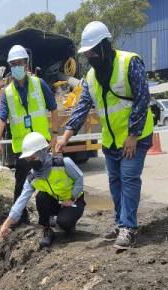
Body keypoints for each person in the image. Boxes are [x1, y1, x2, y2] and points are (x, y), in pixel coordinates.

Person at [55, 21, 154, 250]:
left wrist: (133, 134)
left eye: (92, 52)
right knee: (115, 183)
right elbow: (82, 107)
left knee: (128, 179)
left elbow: (142, 98)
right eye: (86, 53)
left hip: (134, 137)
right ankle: (121, 223)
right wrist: (65, 136)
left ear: (104, 46)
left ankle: (129, 227)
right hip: (111, 140)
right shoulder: (90, 77)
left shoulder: (129, 62)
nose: (89, 56)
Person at [0, 44, 59, 225]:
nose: (16, 66)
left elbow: (54, 108)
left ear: (26, 64)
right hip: (22, 148)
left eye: (19, 63)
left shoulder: (39, 84)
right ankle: (20, 217)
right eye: (13, 64)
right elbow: (1, 118)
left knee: (47, 178)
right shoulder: (7, 93)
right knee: (21, 181)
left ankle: (50, 214)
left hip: (41, 143)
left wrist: (54, 134)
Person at [0, 132, 85, 247]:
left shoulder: (63, 163)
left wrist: (72, 197)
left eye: (33, 157)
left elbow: (79, 178)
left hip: (73, 201)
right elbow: (21, 201)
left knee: (64, 222)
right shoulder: (33, 176)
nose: (31, 161)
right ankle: (47, 230)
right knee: (41, 197)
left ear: (43, 152)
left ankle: (68, 222)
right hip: (56, 201)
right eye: (28, 159)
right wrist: (6, 224)